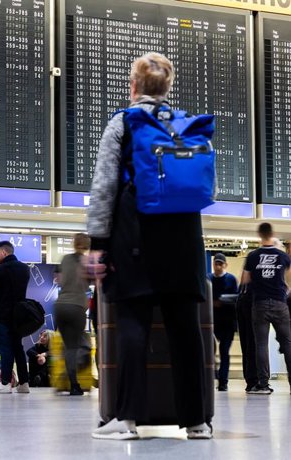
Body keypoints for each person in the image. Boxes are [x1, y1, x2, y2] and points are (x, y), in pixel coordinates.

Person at [87, 53, 211, 440]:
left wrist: (97, 245)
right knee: (185, 332)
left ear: (134, 86)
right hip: (184, 243)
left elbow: (105, 186)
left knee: (132, 326)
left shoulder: (123, 122)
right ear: (168, 87)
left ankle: (126, 420)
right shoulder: (186, 125)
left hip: (135, 238)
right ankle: (197, 421)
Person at [241, 223, 291, 395]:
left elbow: (245, 281)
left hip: (260, 304)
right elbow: (287, 280)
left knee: (261, 345)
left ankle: (263, 385)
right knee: (288, 343)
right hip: (280, 304)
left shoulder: (253, 256)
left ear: (259, 235)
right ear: (273, 233)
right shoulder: (283, 256)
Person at [0, 241, 31, 394]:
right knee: (18, 348)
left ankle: (5, 383)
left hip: (1, 316)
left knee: (5, 348)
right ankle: (24, 383)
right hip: (18, 316)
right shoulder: (24, 269)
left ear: (4, 253)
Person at [54, 233, 91, 396]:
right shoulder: (88, 262)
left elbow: (59, 281)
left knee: (68, 346)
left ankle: (67, 378)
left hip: (60, 306)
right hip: (77, 307)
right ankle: (74, 384)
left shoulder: (65, 259)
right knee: (75, 347)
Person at [207, 253, 238, 391]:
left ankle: (223, 382)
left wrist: (221, 303)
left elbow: (235, 299)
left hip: (227, 322)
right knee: (209, 352)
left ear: (225, 265)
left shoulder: (231, 279)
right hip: (211, 322)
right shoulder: (208, 278)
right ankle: (211, 378)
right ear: (213, 264)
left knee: (224, 352)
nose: (218, 266)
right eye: (216, 264)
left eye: (220, 264)